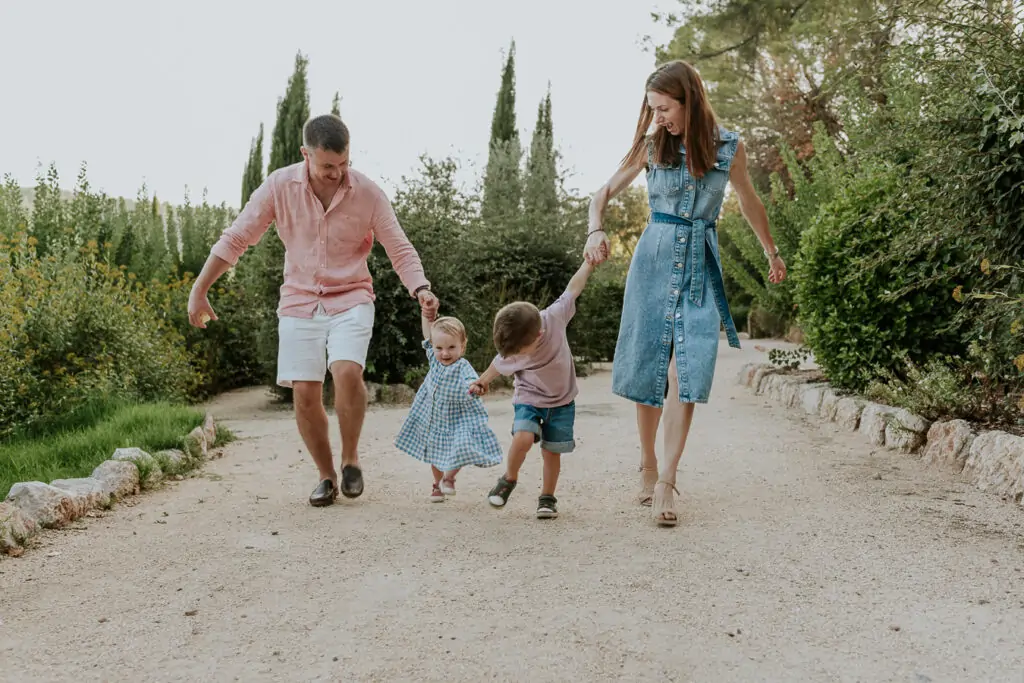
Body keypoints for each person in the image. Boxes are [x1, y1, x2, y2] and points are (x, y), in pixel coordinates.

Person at [187, 114, 439, 507]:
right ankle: (326, 475)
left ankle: (351, 458)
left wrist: (420, 287)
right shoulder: (279, 185)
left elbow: (399, 248)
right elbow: (237, 237)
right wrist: (199, 289)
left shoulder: (368, 193)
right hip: (299, 299)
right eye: (327, 167)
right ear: (305, 154)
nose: (338, 174)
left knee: (347, 371)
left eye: (344, 164)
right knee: (304, 392)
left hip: (351, 295)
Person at [583, 60, 787, 527]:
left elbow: (750, 201)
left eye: (664, 108)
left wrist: (771, 251)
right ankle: (647, 462)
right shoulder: (652, 143)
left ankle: (666, 480)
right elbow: (602, 194)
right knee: (649, 365)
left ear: (689, 99)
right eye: (652, 110)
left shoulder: (730, 147)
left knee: (685, 369)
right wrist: (596, 229)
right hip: (653, 258)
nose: (658, 118)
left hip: (699, 262)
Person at [470, 261, 596, 519]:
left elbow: (573, 288)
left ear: (538, 336)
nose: (514, 357)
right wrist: (482, 381)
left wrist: (588, 263)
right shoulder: (514, 348)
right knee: (524, 437)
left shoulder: (554, 317)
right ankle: (508, 479)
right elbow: (498, 364)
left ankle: (547, 498)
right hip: (529, 398)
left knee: (551, 451)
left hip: (562, 402)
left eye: (518, 353)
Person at [395, 312, 503, 501]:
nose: (445, 353)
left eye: (452, 347)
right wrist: (424, 313)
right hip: (435, 416)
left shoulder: (462, 366)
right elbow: (427, 333)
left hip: (458, 417)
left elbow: (472, 381)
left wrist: (475, 387)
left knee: (462, 445)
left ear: (462, 346)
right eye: (439, 348)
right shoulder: (434, 360)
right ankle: (437, 485)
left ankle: (449, 478)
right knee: (435, 454)